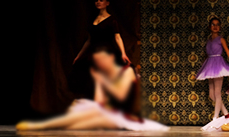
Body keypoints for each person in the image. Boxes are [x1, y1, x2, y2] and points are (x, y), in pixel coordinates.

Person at [17, 45, 168, 131]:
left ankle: (47, 128)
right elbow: (100, 102)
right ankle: (41, 126)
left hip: (127, 116)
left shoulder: (127, 71)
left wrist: (103, 82)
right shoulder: (104, 75)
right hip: (112, 111)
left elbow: (121, 96)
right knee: (88, 112)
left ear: (111, 58)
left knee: (98, 118)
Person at [70, 0, 131, 99]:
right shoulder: (92, 19)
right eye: (96, 0)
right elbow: (89, 40)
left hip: (106, 52)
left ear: (107, 3)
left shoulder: (112, 20)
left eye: (101, 0)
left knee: (105, 79)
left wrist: (123, 53)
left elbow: (117, 37)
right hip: (93, 52)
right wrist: (79, 55)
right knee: (92, 81)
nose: (98, 2)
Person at [195, 17, 229, 120]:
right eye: (213, 24)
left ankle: (215, 117)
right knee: (212, 95)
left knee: (217, 93)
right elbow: (207, 55)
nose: (215, 26)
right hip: (209, 65)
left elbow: (228, 52)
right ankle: (226, 113)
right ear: (209, 27)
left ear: (220, 27)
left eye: (217, 24)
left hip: (218, 65)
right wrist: (202, 69)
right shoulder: (208, 40)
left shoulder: (221, 39)